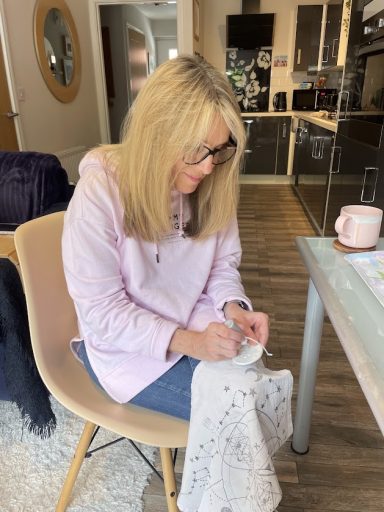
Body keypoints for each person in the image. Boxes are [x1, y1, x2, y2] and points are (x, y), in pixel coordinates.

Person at [62, 54, 293, 512]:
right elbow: (103, 316)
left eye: (220, 149)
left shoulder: (212, 183)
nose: (210, 166)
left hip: (191, 323)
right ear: (156, 131)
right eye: (198, 150)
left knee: (249, 396)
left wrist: (233, 308)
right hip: (123, 352)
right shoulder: (99, 195)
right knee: (240, 414)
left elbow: (223, 266)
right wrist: (191, 342)